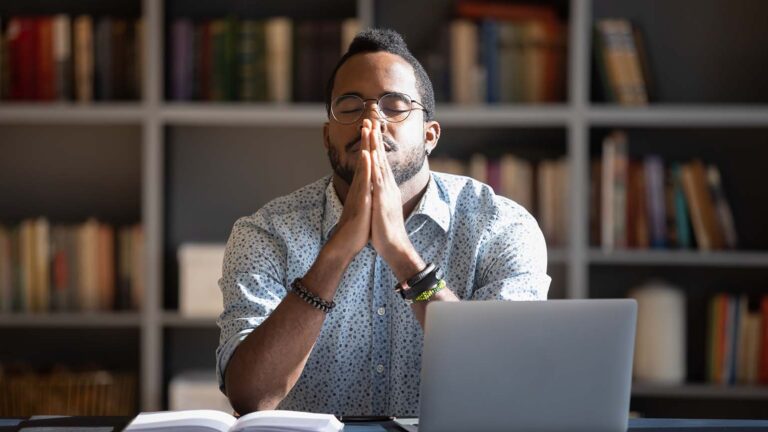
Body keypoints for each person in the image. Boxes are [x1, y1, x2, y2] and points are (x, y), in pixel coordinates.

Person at [216, 28, 551, 416]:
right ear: (327, 136)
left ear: (430, 135)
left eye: (394, 105)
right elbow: (250, 397)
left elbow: (506, 379)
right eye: (350, 105)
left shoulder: (501, 226)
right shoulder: (265, 233)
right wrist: (336, 252)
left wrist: (401, 252)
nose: (371, 119)